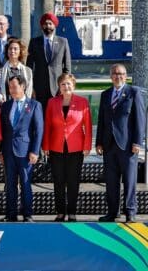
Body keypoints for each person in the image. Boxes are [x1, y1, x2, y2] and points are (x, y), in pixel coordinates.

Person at [96, 64, 146, 223]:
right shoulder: (105, 94)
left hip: (127, 145)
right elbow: (102, 120)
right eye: (115, 74)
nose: (119, 76)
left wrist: (138, 142)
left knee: (130, 180)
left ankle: (130, 212)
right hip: (109, 145)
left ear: (126, 76)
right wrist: (98, 142)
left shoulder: (133, 93)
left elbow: (140, 119)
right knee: (111, 181)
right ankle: (112, 212)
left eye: (122, 74)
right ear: (111, 76)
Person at [43, 72, 91, 222]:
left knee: (73, 180)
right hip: (56, 147)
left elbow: (87, 126)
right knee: (58, 180)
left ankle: (71, 212)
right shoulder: (52, 102)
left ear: (74, 85)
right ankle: (60, 212)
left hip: (76, 148)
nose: (66, 87)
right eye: (63, 84)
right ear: (59, 86)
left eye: (68, 84)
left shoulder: (82, 102)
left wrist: (87, 145)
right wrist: (45, 146)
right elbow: (47, 126)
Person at [0, 76, 44, 222]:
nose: (11, 90)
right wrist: (0, 151)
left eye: (14, 86)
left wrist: (35, 151)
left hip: (26, 152)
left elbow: (39, 130)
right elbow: (2, 130)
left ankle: (27, 214)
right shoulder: (5, 106)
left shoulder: (34, 105)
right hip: (8, 151)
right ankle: (11, 214)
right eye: (10, 87)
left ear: (23, 87)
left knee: (25, 183)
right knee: (10, 184)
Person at [28, 13, 71, 111]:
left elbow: (67, 68)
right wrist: (31, 87)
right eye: (45, 24)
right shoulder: (34, 42)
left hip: (57, 88)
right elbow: (29, 67)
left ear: (54, 25)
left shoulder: (63, 42)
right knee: (41, 117)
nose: (48, 26)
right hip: (39, 88)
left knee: (57, 116)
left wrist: (64, 86)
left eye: (50, 23)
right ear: (42, 26)